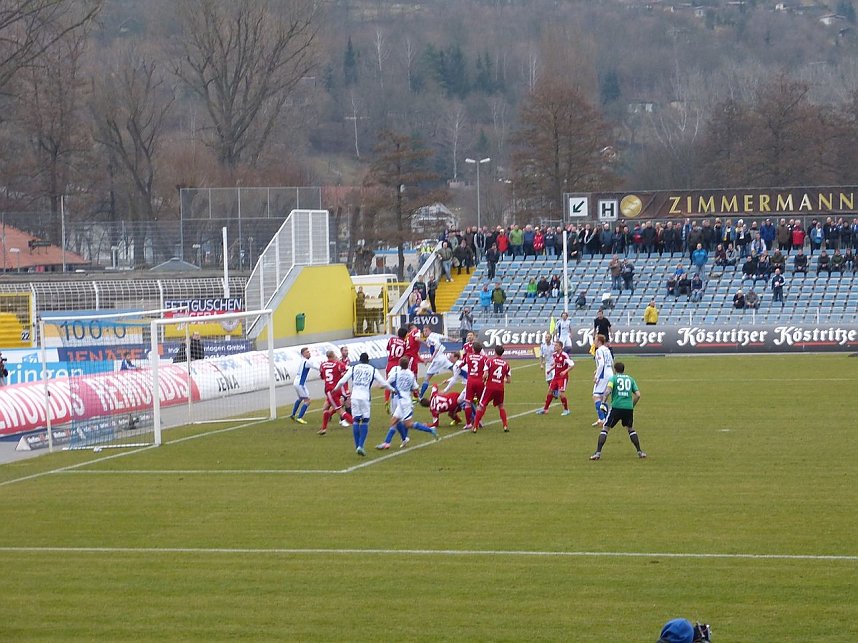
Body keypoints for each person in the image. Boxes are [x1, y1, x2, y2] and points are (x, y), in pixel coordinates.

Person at [334, 352, 397, 456]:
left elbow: (342, 381)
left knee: (355, 420)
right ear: (368, 361)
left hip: (354, 397)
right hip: (365, 397)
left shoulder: (354, 368)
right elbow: (383, 382)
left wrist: (336, 389)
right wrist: (392, 390)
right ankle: (361, 446)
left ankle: (357, 446)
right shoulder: (372, 369)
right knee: (365, 421)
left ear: (359, 360)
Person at [377, 357, 439, 449]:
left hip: (403, 402)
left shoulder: (396, 374)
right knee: (394, 421)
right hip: (405, 401)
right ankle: (387, 443)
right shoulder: (411, 374)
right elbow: (416, 388)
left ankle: (430, 430)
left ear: (399, 364)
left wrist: (380, 386)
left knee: (408, 424)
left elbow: (386, 384)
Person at [590, 361, 645, 461]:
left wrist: (603, 402)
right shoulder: (630, 379)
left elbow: (608, 391)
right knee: (630, 429)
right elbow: (638, 395)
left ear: (615, 370)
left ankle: (597, 453)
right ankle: (640, 452)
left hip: (616, 407)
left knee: (605, 428)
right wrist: (632, 405)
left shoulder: (613, 378)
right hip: (628, 408)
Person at [469, 344, 511, 433]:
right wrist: (501, 379)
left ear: (495, 352)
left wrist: (484, 380)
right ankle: (505, 426)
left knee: (481, 405)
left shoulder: (490, 361)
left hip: (490, 387)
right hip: (500, 388)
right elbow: (508, 380)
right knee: (501, 406)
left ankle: (475, 426)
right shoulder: (506, 364)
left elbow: (485, 375)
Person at [317, 350, 353, 435]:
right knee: (325, 408)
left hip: (331, 390)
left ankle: (355, 423)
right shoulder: (338, 364)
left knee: (339, 410)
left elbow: (322, 377)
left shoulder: (323, 365)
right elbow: (346, 370)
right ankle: (323, 429)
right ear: (333, 355)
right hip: (337, 388)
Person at [536, 340, 574, 416]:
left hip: (563, 377)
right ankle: (545, 409)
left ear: (560, 347)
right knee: (550, 391)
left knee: (561, 394)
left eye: (556, 345)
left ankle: (566, 410)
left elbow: (572, 365)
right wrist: (550, 370)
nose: (554, 347)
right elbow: (557, 364)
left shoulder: (564, 355)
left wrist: (565, 371)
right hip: (556, 377)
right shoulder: (555, 355)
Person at [418, 326, 454, 399]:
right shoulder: (435, 335)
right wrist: (453, 339)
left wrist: (432, 357)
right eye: (424, 331)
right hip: (443, 358)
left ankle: (420, 396)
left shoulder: (430, 338)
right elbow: (444, 337)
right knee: (457, 371)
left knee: (427, 378)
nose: (424, 332)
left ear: (429, 330)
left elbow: (437, 345)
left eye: (426, 330)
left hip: (437, 359)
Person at [288, 347, 317, 424]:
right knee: (308, 401)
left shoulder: (302, 361)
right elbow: (316, 367)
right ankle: (299, 417)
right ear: (303, 354)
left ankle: (293, 414)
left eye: (309, 352)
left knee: (300, 398)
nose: (309, 353)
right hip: (300, 384)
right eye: (307, 352)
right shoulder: (307, 362)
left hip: (297, 382)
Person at [591, 333, 614, 427]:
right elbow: (611, 362)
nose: (594, 342)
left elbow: (601, 364)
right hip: (610, 373)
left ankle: (602, 419)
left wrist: (596, 376)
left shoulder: (599, 350)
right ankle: (606, 418)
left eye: (595, 340)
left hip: (603, 375)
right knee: (603, 396)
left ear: (599, 341)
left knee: (596, 396)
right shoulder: (607, 349)